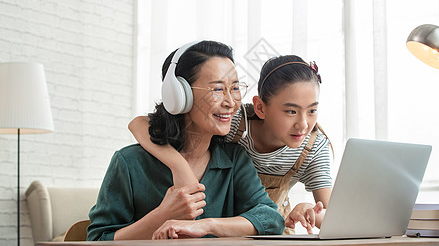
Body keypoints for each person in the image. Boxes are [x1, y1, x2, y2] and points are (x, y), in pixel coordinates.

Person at [87, 41, 285, 241]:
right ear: (179, 95)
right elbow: (97, 240)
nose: (231, 102)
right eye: (217, 89)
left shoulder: (234, 160)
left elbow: (271, 219)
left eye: (234, 88)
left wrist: (206, 225)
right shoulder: (129, 162)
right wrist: (162, 216)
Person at [129, 54, 333, 234]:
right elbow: (139, 123)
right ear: (260, 108)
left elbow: (333, 215)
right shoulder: (234, 122)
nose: (303, 124)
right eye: (291, 111)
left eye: (312, 110)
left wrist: (308, 210)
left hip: (269, 228)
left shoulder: (313, 146)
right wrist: (180, 166)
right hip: (225, 227)